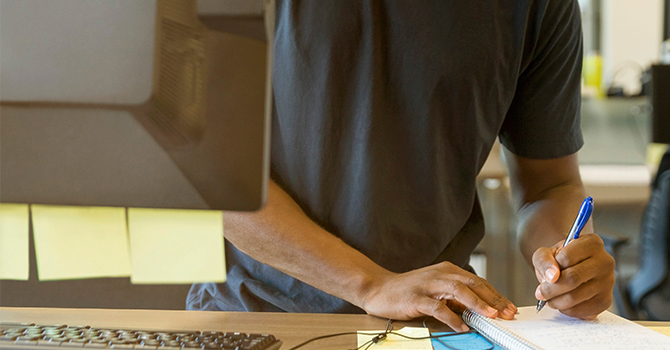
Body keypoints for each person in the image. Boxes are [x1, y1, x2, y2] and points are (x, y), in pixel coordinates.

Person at [187, 0, 615, 332]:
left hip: (434, 327)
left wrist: (569, 263)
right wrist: (369, 283)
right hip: (260, 317)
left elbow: (549, 187)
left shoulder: (538, 7)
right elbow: (209, 165)